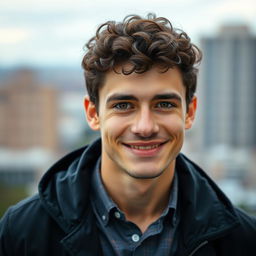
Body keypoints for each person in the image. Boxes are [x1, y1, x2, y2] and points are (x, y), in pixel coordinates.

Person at [0, 14, 255, 256]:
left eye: (164, 104)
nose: (145, 127)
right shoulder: (22, 233)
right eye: (123, 105)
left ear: (189, 112)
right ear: (93, 114)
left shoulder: (243, 240)